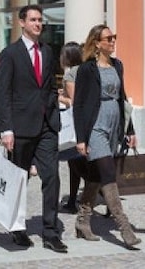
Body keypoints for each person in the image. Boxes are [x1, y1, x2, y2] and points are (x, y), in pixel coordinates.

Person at [0, 4, 67, 253]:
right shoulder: (10, 54)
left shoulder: (47, 51)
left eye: (40, 20)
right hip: (20, 127)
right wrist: (6, 129)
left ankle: (50, 232)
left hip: (47, 125)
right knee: (19, 180)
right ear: (22, 23)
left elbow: (48, 86)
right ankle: (17, 228)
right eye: (33, 20)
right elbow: (2, 93)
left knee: (52, 178)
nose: (38, 24)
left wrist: (54, 110)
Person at [73, 24, 140, 249]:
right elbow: (79, 105)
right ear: (97, 43)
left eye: (114, 37)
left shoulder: (117, 65)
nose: (112, 41)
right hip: (96, 125)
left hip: (115, 125)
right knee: (108, 172)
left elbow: (123, 98)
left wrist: (130, 130)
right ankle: (124, 227)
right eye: (108, 38)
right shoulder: (86, 69)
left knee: (96, 175)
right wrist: (81, 138)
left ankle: (82, 221)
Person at [58, 41, 85, 214]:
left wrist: (59, 98)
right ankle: (75, 199)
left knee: (76, 165)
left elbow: (74, 102)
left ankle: (74, 201)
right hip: (86, 122)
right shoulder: (85, 70)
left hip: (75, 124)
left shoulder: (70, 75)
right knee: (78, 164)